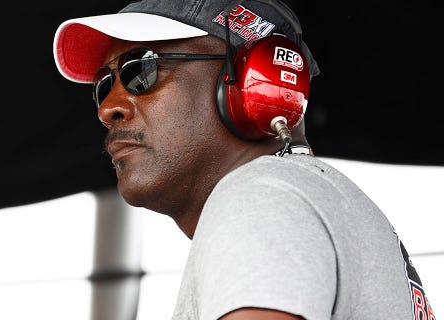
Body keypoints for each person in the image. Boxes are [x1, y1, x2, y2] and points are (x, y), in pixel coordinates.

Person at [53, 0, 437, 319]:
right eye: (105, 85)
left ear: (260, 78)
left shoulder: (260, 198)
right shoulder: (306, 199)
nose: (109, 108)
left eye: (142, 69)